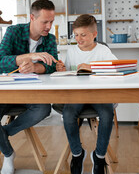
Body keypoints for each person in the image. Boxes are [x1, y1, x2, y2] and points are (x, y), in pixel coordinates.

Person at [0, 0, 58, 174]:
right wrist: (28, 57)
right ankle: (8, 153)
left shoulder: (50, 39)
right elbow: (0, 61)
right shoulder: (13, 32)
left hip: (30, 95)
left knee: (43, 109)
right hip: (3, 90)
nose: (49, 26)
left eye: (51, 21)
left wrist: (35, 67)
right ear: (32, 17)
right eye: (45, 21)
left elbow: (52, 65)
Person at [56, 14, 117, 174]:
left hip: (99, 94)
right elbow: (68, 74)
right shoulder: (71, 50)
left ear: (94, 34)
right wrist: (63, 70)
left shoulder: (103, 50)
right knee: (68, 114)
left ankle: (99, 156)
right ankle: (77, 154)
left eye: (83, 35)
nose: (79, 39)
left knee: (107, 113)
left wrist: (94, 68)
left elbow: (116, 68)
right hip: (77, 95)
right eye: (76, 35)